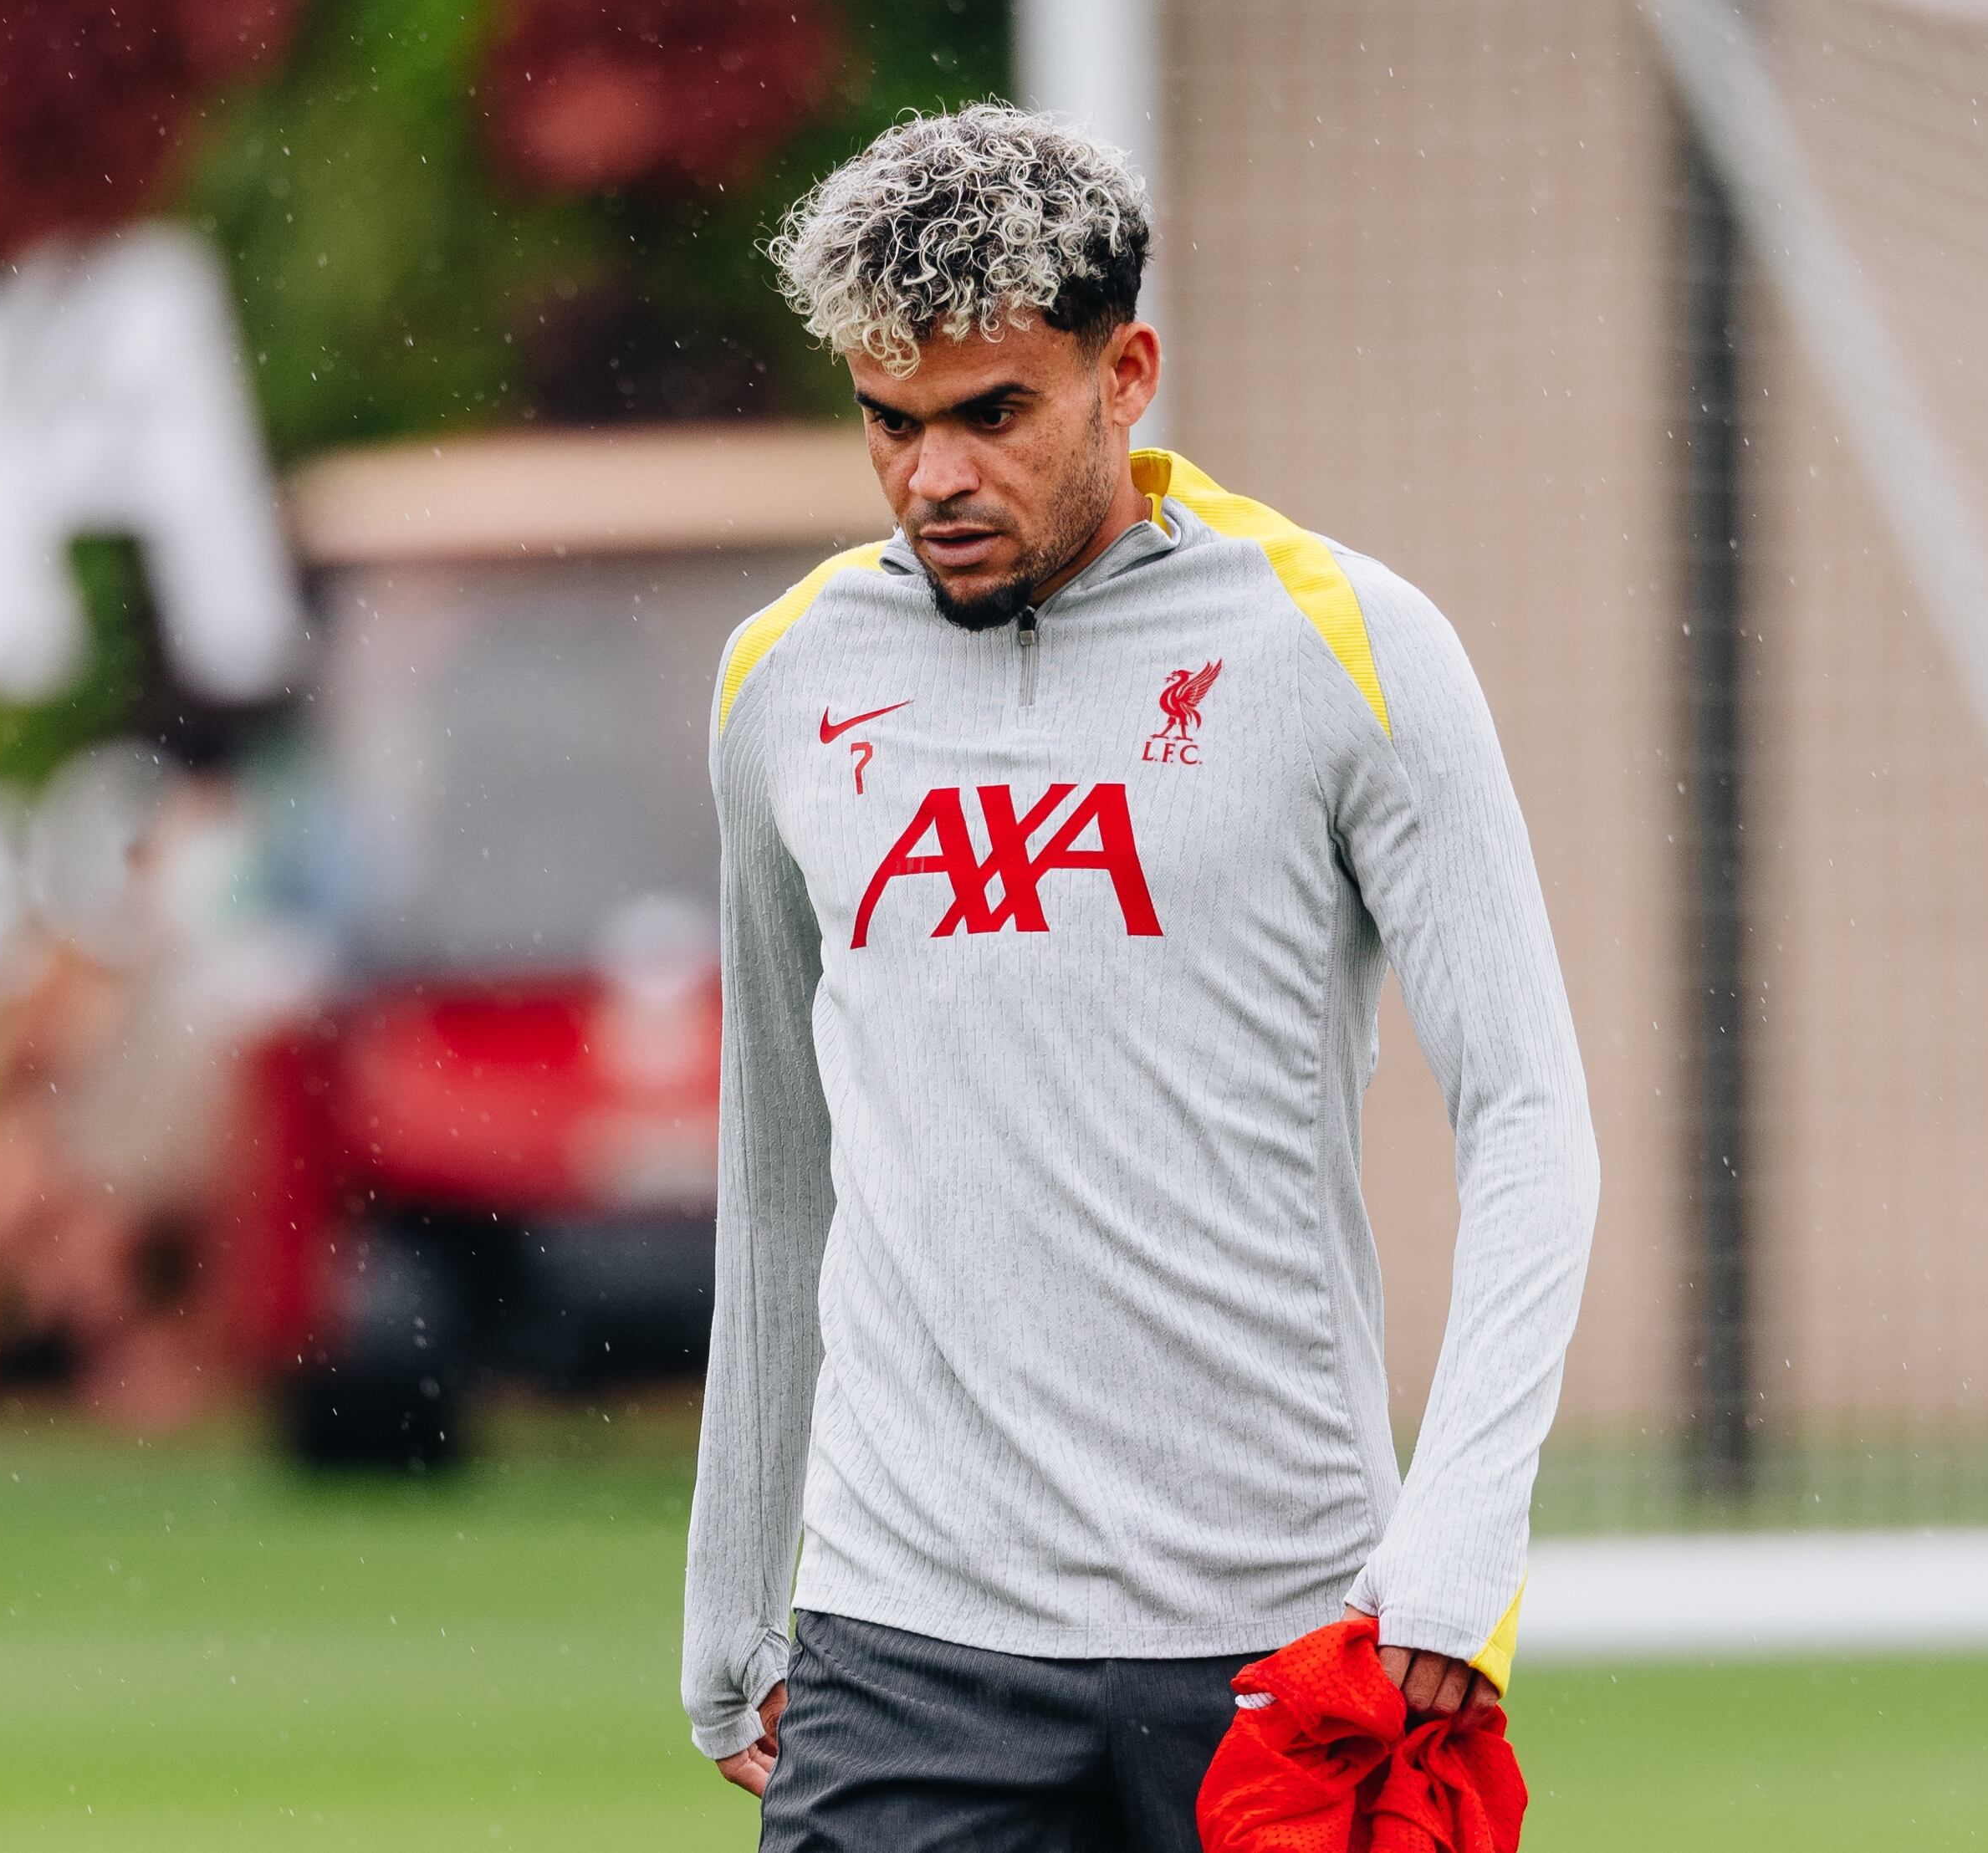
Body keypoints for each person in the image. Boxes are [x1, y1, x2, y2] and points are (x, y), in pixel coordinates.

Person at [682, 102, 1599, 1852]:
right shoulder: (781, 683)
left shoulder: (1347, 647)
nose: (931, 476)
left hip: (1283, 1642)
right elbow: (777, 1165)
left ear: (1127, 374)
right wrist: (734, 1580)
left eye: (988, 415)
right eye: (889, 424)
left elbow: (1531, 1116)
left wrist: (1458, 1545)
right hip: (906, 1646)